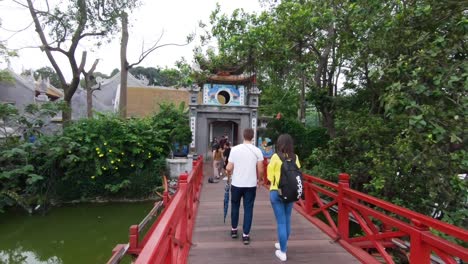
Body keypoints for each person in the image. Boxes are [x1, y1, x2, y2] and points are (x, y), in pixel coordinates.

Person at [226, 128, 264, 245]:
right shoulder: (257, 151)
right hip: (251, 185)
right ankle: (246, 235)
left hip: (236, 184)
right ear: (252, 137)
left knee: (235, 206)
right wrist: (260, 180)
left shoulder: (235, 149)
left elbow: (228, 168)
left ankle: (234, 230)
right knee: (248, 208)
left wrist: (229, 177)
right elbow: (261, 169)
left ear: (243, 136)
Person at [267, 134, 301, 261]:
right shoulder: (295, 157)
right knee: (287, 219)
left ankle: (283, 252)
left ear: (279, 144)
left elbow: (270, 177)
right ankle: (283, 243)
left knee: (281, 222)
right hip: (291, 192)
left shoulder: (275, 157)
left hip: (277, 192)